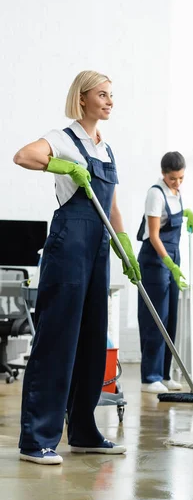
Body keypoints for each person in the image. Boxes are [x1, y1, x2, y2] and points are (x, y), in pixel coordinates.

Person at [14, 70, 140, 465]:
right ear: (82, 98)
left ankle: (84, 431)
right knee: (57, 340)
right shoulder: (63, 139)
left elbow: (113, 205)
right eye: (102, 94)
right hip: (69, 246)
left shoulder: (106, 147)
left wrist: (125, 247)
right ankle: (37, 440)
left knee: (90, 341)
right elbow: (23, 155)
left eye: (111, 95)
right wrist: (62, 167)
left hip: (100, 247)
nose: (109, 101)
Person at [137, 152, 193, 393]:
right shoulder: (155, 193)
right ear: (163, 174)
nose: (177, 183)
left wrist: (186, 215)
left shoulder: (176, 193)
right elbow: (153, 235)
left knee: (171, 316)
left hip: (173, 256)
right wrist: (169, 264)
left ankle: (164, 373)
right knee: (156, 318)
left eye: (181, 178)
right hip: (155, 258)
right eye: (173, 179)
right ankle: (150, 377)